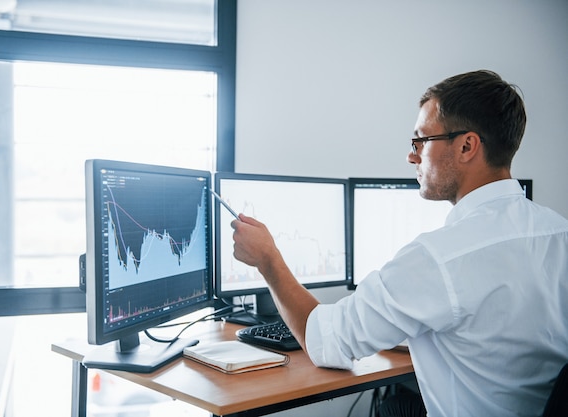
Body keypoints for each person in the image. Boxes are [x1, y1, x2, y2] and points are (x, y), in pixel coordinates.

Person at [230, 70, 568, 417]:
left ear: (467, 146)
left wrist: (268, 261)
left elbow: (326, 342)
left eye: (421, 140)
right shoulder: (559, 233)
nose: (412, 156)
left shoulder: (440, 259)